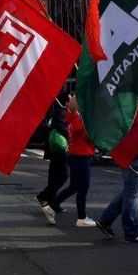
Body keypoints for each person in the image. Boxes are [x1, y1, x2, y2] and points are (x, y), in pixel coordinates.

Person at [42, 95, 97, 227]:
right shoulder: (79, 120)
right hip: (81, 156)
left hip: (74, 155)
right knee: (83, 187)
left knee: (74, 186)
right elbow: (89, 136)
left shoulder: (72, 118)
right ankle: (81, 217)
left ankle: (51, 206)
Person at [37, 91, 70, 211]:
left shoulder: (57, 112)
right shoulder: (62, 113)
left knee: (54, 176)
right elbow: (63, 128)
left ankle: (50, 201)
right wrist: (71, 132)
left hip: (55, 150)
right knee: (62, 176)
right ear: (66, 102)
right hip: (60, 150)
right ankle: (46, 197)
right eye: (70, 99)